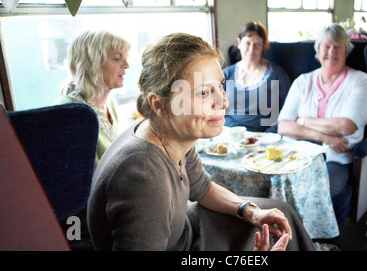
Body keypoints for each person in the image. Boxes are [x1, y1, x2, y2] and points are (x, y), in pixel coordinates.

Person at [87, 32, 315, 251]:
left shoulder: (170, 132)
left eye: (220, 86)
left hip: (186, 229)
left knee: (278, 213)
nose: (223, 102)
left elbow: (203, 189)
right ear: (159, 105)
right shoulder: (144, 179)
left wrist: (250, 211)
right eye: (204, 93)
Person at [277, 23, 367, 222]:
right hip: (297, 154)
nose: (331, 52)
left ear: (346, 50)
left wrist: (301, 121)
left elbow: (346, 126)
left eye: (337, 46)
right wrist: (325, 137)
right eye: (326, 46)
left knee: (312, 193)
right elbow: (283, 126)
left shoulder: (360, 81)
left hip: (335, 159)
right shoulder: (303, 81)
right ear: (318, 50)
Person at [55, 30, 131, 167]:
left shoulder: (109, 101)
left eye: (126, 57)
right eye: (117, 58)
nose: (127, 64)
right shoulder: (70, 114)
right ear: (92, 63)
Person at [222, 21, 291, 133]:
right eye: (247, 43)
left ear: (263, 46)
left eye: (257, 44)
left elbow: (288, 110)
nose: (251, 50)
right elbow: (215, 109)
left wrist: (268, 134)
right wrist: (238, 133)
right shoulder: (226, 74)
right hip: (231, 135)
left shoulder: (277, 74)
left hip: (264, 138)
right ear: (239, 43)